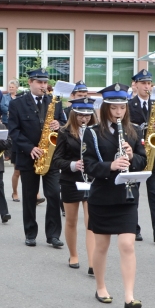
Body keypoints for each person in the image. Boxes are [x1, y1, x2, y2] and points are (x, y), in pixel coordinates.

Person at [82, 84, 147, 308]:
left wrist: (132, 156)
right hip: (102, 195)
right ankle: (101, 287)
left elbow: (143, 161)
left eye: (122, 108)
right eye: (114, 108)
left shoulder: (134, 130)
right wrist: (111, 165)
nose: (118, 112)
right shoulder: (92, 132)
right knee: (101, 245)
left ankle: (129, 296)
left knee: (128, 244)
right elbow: (88, 165)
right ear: (105, 108)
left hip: (126, 195)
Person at [7, 69, 66, 247]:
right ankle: (30, 233)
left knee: (54, 194)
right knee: (29, 196)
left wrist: (59, 124)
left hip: (50, 156)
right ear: (30, 82)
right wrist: (29, 148)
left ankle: (53, 235)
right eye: (39, 82)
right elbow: (14, 131)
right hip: (29, 156)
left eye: (45, 82)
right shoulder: (17, 104)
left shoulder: (54, 102)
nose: (43, 86)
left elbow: (65, 123)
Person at [52, 96, 97, 271]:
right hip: (71, 180)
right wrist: (73, 165)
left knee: (91, 221)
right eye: (80, 115)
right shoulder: (64, 132)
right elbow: (57, 160)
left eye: (87, 115)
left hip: (91, 180)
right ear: (73, 114)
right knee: (71, 220)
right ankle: (73, 255)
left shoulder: (96, 131)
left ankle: (92, 262)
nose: (84, 118)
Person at [128, 69, 155, 243]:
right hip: (137, 155)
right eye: (143, 83)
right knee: (134, 194)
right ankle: (133, 228)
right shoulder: (128, 105)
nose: (147, 87)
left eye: (149, 84)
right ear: (136, 85)